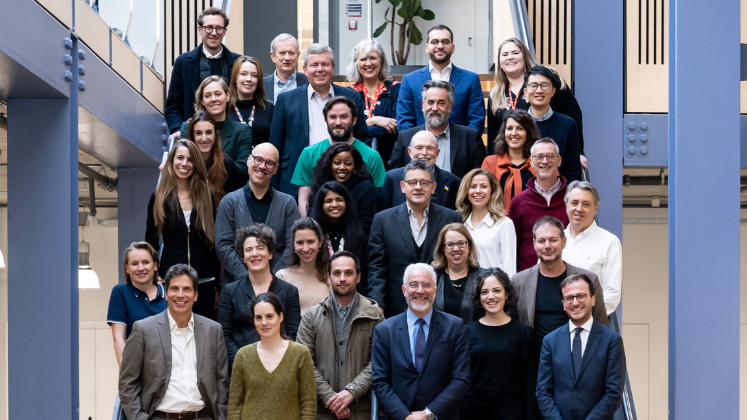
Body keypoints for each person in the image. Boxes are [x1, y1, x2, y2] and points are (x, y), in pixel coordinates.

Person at [119, 264, 229, 420]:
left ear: (196, 295)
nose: (180, 295)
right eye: (174, 288)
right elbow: (127, 382)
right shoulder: (143, 330)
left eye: (187, 289)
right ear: (166, 293)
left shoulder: (213, 330)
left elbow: (222, 382)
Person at [371, 263, 471, 420]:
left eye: (426, 285)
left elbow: (461, 379)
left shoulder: (455, 326)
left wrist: (428, 414)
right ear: (404, 290)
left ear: (435, 290)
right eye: (413, 284)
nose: (420, 290)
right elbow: (380, 382)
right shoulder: (384, 330)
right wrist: (405, 416)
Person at [269, 43, 371, 195]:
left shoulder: (352, 97)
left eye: (325, 64)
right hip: (297, 183)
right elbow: (275, 147)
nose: (320, 69)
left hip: (345, 182)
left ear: (333, 67)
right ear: (305, 69)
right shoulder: (286, 100)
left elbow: (362, 139)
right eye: (314, 65)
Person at [296, 251, 385, 420]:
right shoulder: (311, 317)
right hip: (322, 412)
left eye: (348, 273)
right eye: (337, 273)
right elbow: (303, 362)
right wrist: (330, 399)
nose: (342, 278)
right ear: (329, 277)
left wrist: (352, 391)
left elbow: (380, 361)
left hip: (361, 412)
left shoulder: (375, 315)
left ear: (358, 277)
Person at [368, 159, 461, 317]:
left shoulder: (451, 218)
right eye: (412, 182)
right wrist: (378, 304)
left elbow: (457, 265)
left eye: (424, 182)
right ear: (403, 187)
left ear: (433, 187)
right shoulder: (383, 220)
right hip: (396, 308)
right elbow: (376, 267)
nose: (418, 187)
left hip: (441, 308)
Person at [511, 216, 608, 366]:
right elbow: (511, 326)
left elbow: (601, 324)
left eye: (553, 240)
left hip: (576, 365)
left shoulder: (588, 280)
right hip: (533, 365)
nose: (547, 246)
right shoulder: (519, 281)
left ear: (564, 242)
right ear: (534, 244)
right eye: (541, 241)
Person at [145, 140, 220, 320]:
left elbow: (212, 242)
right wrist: (155, 276)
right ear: (172, 161)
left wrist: (217, 284)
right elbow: (151, 242)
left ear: (196, 164)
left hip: (205, 280)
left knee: (202, 331)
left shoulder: (207, 196)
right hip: (171, 279)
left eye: (190, 159)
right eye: (180, 158)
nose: (184, 163)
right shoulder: (158, 198)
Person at [536, 274, 626, 420]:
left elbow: (613, 393)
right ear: (563, 304)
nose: (575, 302)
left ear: (593, 299)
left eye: (581, 296)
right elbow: (543, 392)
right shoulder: (550, 341)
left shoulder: (612, 340)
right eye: (569, 298)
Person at [217, 223, 301, 369]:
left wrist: (276, 363)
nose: (254, 254)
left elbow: (293, 334)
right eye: (248, 250)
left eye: (260, 248)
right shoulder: (230, 291)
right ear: (243, 257)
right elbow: (224, 334)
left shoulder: (290, 291)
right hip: (241, 367)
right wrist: (243, 363)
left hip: (280, 367)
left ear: (270, 254)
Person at [487, 38, 584, 159]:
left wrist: (578, 152)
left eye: (515, 53)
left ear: (525, 56)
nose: (510, 57)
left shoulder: (547, 79)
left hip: (550, 156)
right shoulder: (496, 95)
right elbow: (494, 136)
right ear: (499, 62)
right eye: (505, 54)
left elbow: (572, 113)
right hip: (513, 160)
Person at [215, 143, 300, 280]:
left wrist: (272, 280)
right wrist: (247, 280)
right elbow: (223, 246)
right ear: (249, 160)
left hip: (278, 285)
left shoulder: (288, 203)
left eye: (269, 163)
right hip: (237, 286)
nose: (262, 166)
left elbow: (292, 245)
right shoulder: (229, 202)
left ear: (276, 169)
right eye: (258, 159)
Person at [460, 268, 537, 420]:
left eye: (496, 290)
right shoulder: (466, 331)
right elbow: (461, 378)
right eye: (484, 292)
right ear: (478, 297)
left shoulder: (523, 332)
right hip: (473, 411)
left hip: (511, 412)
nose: (491, 296)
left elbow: (529, 382)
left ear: (506, 294)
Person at [227, 292, 316, 419]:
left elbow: (308, 404)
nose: (264, 322)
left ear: (280, 317)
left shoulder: (300, 354)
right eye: (258, 317)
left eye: (269, 316)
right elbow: (234, 407)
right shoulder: (242, 355)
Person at [292, 96, 386, 212]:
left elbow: (374, 201)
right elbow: (303, 201)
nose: (337, 122)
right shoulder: (309, 153)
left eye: (344, 117)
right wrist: (311, 223)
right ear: (325, 120)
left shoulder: (372, 156)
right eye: (332, 117)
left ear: (354, 120)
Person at [165, 7, 241, 137]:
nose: (214, 33)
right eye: (209, 28)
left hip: (231, 136)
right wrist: (179, 130)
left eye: (219, 28)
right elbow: (174, 105)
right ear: (200, 29)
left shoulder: (238, 63)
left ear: (224, 31)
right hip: (194, 136)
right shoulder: (183, 62)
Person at [397, 24, 485, 134]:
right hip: (420, 144)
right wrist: (422, 143)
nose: (440, 46)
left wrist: (459, 143)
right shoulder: (409, 80)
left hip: (459, 144)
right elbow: (404, 122)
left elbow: (476, 121)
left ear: (453, 48)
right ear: (427, 48)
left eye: (445, 42)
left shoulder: (470, 80)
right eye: (434, 42)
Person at [389, 80, 486, 179]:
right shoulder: (405, 138)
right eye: (430, 102)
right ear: (423, 106)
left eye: (441, 103)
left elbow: (481, 177)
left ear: (450, 107)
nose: (435, 108)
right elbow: (394, 178)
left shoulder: (471, 138)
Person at [508, 138, 570, 272]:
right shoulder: (519, 202)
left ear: (559, 161)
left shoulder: (572, 199)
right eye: (539, 156)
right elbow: (513, 247)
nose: (545, 161)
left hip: (568, 277)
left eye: (550, 156)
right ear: (531, 162)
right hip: (528, 278)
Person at [563, 181, 623, 315]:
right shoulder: (553, 241)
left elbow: (611, 294)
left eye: (586, 204)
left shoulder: (609, 242)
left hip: (591, 321)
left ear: (595, 209)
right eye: (574, 203)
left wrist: (584, 319)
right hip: (555, 322)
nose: (579, 208)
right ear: (566, 205)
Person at [107, 242, 167, 366]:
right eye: (134, 263)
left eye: (146, 262)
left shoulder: (170, 294)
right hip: (136, 367)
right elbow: (118, 339)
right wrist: (127, 373)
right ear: (127, 268)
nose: (140, 268)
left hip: (168, 368)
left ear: (155, 265)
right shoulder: (121, 292)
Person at [179, 76, 253, 173]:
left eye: (218, 94)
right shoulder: (187, 128)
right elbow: (184, 163)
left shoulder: (242, 131)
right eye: (207, 96)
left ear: (227, 96)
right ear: (202, 101)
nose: (213, 99)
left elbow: (242, 170)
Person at [308, 181, 369, 295]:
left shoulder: (358, 235)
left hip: (352, 295)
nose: (334, 204)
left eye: (339, 200)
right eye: (328, 201)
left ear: (347, 203)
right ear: (321, 205)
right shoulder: (313, 236)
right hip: (319, 294)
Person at [524, 66, 583, 182]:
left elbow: (573, 170)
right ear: (525, 92)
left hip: (561, 190)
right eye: (534, 86)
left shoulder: (568, 124)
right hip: (525, 191)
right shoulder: (518, 124)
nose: (539, 90)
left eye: (544, 85)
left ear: (553, 91)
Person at [347, 39, 401, 166]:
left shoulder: (396, 89)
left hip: (389, 163)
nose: (368, 63)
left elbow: (394, 130)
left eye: (373, 58)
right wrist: (374, 121)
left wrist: (360, 127)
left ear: (381, 61)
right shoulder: (348, 93)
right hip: (355, 164)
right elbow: (346, 131)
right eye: (363, 59)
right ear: (356, 63)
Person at [378, 130, 461, 211]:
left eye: (430, 148)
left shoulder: (453, 182)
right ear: (409, 152)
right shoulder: (392, 178)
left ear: (437, 152)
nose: (424, 153)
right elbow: (383, 215)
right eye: (419, 148)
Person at [457, 169, 517, 276]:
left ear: (492, 191)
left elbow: (509, 268)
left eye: (483, 186)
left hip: (492, 285)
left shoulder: (504, 224)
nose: (478, 191)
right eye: (473, 186)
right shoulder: (459, 223)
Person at [307, 142, 377, 233]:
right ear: (329, 165)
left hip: (355, 238)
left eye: (348, 164)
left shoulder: (366, 187)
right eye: (337, 163)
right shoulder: (321, 185)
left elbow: (367, 225)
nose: (342, 167)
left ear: (355, 166)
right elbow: (312, 220)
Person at [481, 109, 540, 211]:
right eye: (509, 128)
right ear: (504, 132)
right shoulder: (490, 163)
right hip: (497, 219)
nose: (514, 133)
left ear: (528, 133)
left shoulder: (540, 163)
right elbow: (483, 199)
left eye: (520, 128)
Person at [186, 110, 246, 203]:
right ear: (192, 136)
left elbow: (234, 204)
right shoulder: (185, 164)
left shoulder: (227, 164)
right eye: (198, 133)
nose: (204, 138)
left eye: (209, 132)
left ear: (216, 134)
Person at [431, 223, 486, 324]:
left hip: (472, 334)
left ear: (469, 246)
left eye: (461, 243)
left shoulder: (483, 278)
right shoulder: (433, 277)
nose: (456, 248)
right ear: (443, 249)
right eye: (450, 244)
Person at [275, 218, 331, 316]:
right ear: (293, 243)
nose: (305, 248)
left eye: (310, 242)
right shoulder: (282, 277)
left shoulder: (332, 276)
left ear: (320, 242)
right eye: (300, 242)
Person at [227, 56, 274, 145]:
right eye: (243, 74)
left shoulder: (269, 109)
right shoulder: (224, 109)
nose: (249, 79)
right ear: (235, 78)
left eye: (254, 75)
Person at [263, 34, 309, 102]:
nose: (287, 58)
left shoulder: (309, 82)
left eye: (291, 53)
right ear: (273, 56)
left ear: (298, 55)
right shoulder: (261, 85)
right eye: (282, 53)